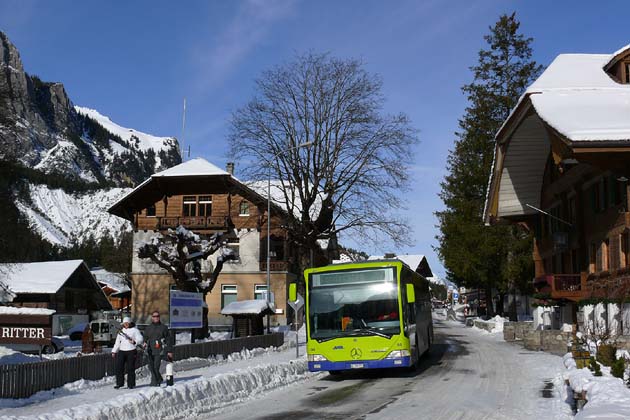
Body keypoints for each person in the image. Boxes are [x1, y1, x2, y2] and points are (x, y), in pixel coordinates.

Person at [143, 311, 173, 387]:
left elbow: (168, 340)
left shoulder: (164, 327)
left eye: (157, 316)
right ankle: (159, 378)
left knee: (156, 367)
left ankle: (154, 382)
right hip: (150, 350)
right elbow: (145, 338)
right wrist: (144, 343)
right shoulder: (148, 328)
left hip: (160, 350)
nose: (156, 318)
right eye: (154, 316)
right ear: (152, 317)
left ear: (159, 317)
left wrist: (169, 351)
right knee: (151, 366)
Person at [112, 316, 144, 389]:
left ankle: (131, 384)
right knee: (119, 368)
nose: (126, 324)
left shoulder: (135, 330)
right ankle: (119, 383)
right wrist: (114, 351)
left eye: (127, 323)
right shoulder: (121, 332)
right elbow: (117, 343)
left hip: (131, 351)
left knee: (130, 368)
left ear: (130, 323)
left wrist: (134, 341)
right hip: (122, 351)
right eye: (124, 323)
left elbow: (140, 339)